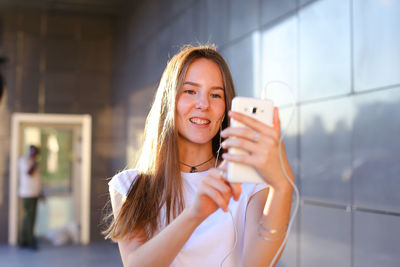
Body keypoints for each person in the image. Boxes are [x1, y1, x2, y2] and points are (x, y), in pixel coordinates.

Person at [104, 44, 294, 267]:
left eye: (215, 95)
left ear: (226, 107)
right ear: (170, 100)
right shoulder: (129, 185)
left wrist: (282, 186)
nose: (204, 104)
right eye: (190, 91)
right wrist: (195, 213)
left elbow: (257, 264)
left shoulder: (247, 183)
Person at [18, 145, 41, 250]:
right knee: (28, 218)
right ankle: (29, 240)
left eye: (36, 152)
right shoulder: (24, 161)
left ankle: (24, 240)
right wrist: (34, 163)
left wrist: (41, 192)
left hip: (35, 194)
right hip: (27, 194)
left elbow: (37, 179)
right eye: (33, 152)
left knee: (31, 218)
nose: (34, 154)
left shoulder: (36, 163)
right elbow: (29, 173)